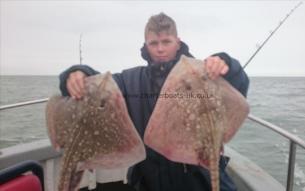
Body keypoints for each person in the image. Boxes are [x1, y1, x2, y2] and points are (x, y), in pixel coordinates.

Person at [59, 12, 249, 191]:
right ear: (146, 46)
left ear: (177, 41)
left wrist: (227, 65)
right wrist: (77, 74)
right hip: (149, 178)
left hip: (197, 176)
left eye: (166, 41)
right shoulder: (131, 80)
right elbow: (101, 87)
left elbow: (238, 86)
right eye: (154, 43)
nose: (160, 49)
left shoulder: (202, 75)